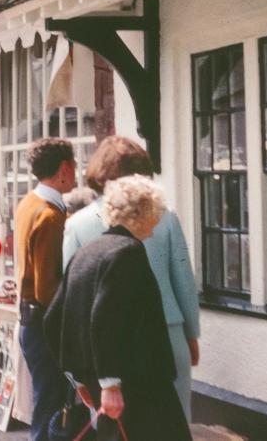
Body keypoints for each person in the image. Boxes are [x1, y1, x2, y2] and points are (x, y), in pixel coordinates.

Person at [63, 136, 201, 420]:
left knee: (116, 430)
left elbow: (71, 300)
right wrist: (191, 333)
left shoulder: (76, 224)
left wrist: (76, 374)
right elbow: (184, 279)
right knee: (172, 426)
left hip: (104, 351)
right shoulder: (166, 216)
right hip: (167, 333)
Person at [44, 175, 191, 440]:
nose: (157, 223)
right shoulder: (127, 252)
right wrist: (110, 384)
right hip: (139, 384)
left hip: (107, 382)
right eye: (156, 213)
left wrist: (80, 378)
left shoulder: (87, 252)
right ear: (142, 214)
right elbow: (104, 320)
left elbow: (53, 320)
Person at [14, 138, 76, 441]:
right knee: (50, 409)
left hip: (30, 322)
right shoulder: (50, 216)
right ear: (64, 168)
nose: (76, 171)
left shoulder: (28, 203)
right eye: (74, 165)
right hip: (45, 326)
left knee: (46, 404)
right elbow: (46, 288)